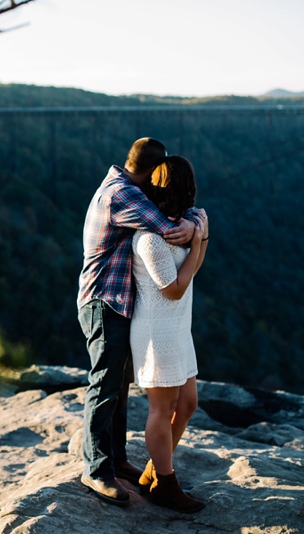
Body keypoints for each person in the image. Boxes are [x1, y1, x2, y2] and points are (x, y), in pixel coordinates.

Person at [77, 138, 196, 505]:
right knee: (105, 386)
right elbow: (168, 226)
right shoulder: (123, 196)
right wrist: (197, 230)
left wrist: (194, 225)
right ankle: (96, 470)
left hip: (118, 303)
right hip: (104, 303)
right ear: (149, 173)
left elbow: (177, 220)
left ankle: (115, 460)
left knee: (119, 386)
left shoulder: (120, 185)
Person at [131, 155, 208, 513]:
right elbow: (174, 288)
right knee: (162, 410)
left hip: (178, 328)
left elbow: (192, 268)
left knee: (189, 403)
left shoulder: (178, 225)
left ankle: (152, 472)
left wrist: (199, 235)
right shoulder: (150, 239)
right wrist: (199, 244)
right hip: (155, 333)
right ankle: (165, 482)